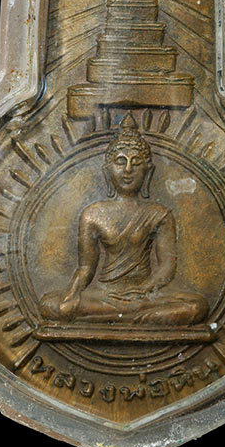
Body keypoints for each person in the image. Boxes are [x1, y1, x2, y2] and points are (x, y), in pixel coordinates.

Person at [40, 112, 208, 325]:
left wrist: (143, 290)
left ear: (148, 171)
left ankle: (119, 316)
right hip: (105, 294)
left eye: (136, 163)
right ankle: (133, 317)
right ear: (107, 170)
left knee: (197, 306)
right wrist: (72, 293)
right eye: (120, 162)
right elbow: (86, 268)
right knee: (50, 304)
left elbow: (167, 266)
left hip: (144, 295)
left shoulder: (159, 214)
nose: (128, 170)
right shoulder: (92, 214)